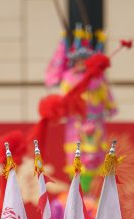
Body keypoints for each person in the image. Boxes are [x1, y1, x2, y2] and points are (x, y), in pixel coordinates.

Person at [45, 25, 117, 190]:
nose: (81, 63)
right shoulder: (68, 78)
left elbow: (107, 99)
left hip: (94, 124)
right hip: (76, 126)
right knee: (75, 159)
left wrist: (108, 106)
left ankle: (87, 192)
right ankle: (79, 192)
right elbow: (63, 101)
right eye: (78, 60)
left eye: (84, 60)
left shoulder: (98, 79)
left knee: (93, 159)